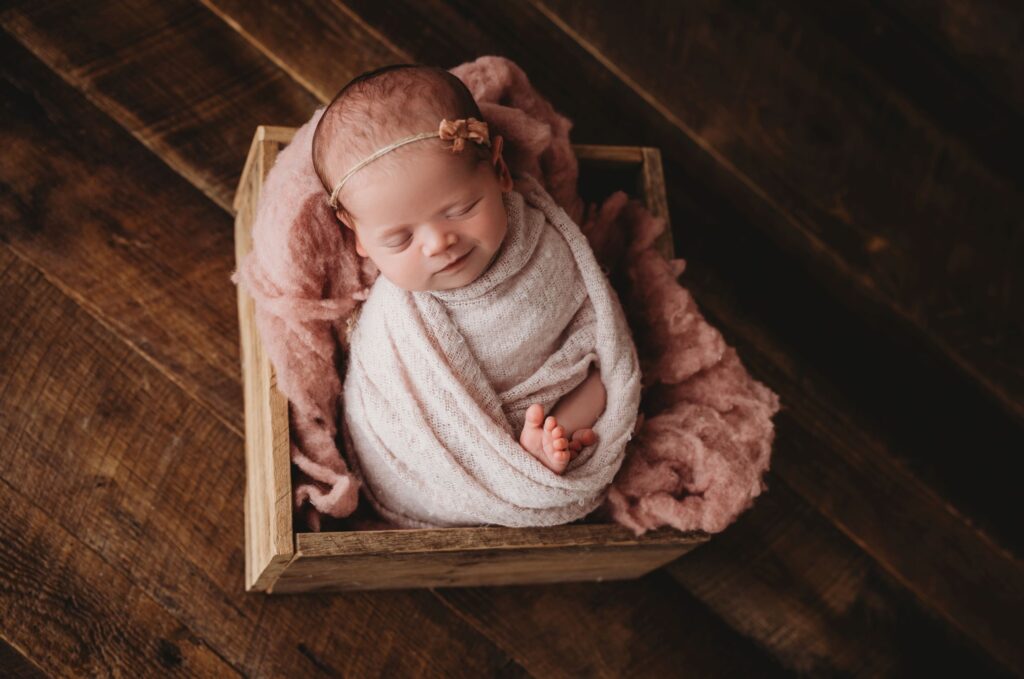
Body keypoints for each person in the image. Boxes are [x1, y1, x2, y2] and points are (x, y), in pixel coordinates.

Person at [313, 64, 619, 478]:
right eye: (400, 239)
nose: (438, 243)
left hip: (557, 397)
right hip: (453, 461)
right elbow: (388, 413)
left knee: (605, 382)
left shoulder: (543, 245)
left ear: (499, 171)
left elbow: (593, 329)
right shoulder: (394, 323)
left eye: (460, 210)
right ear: (359, 238)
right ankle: (518, 465)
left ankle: (550, 438)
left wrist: (559, 413)